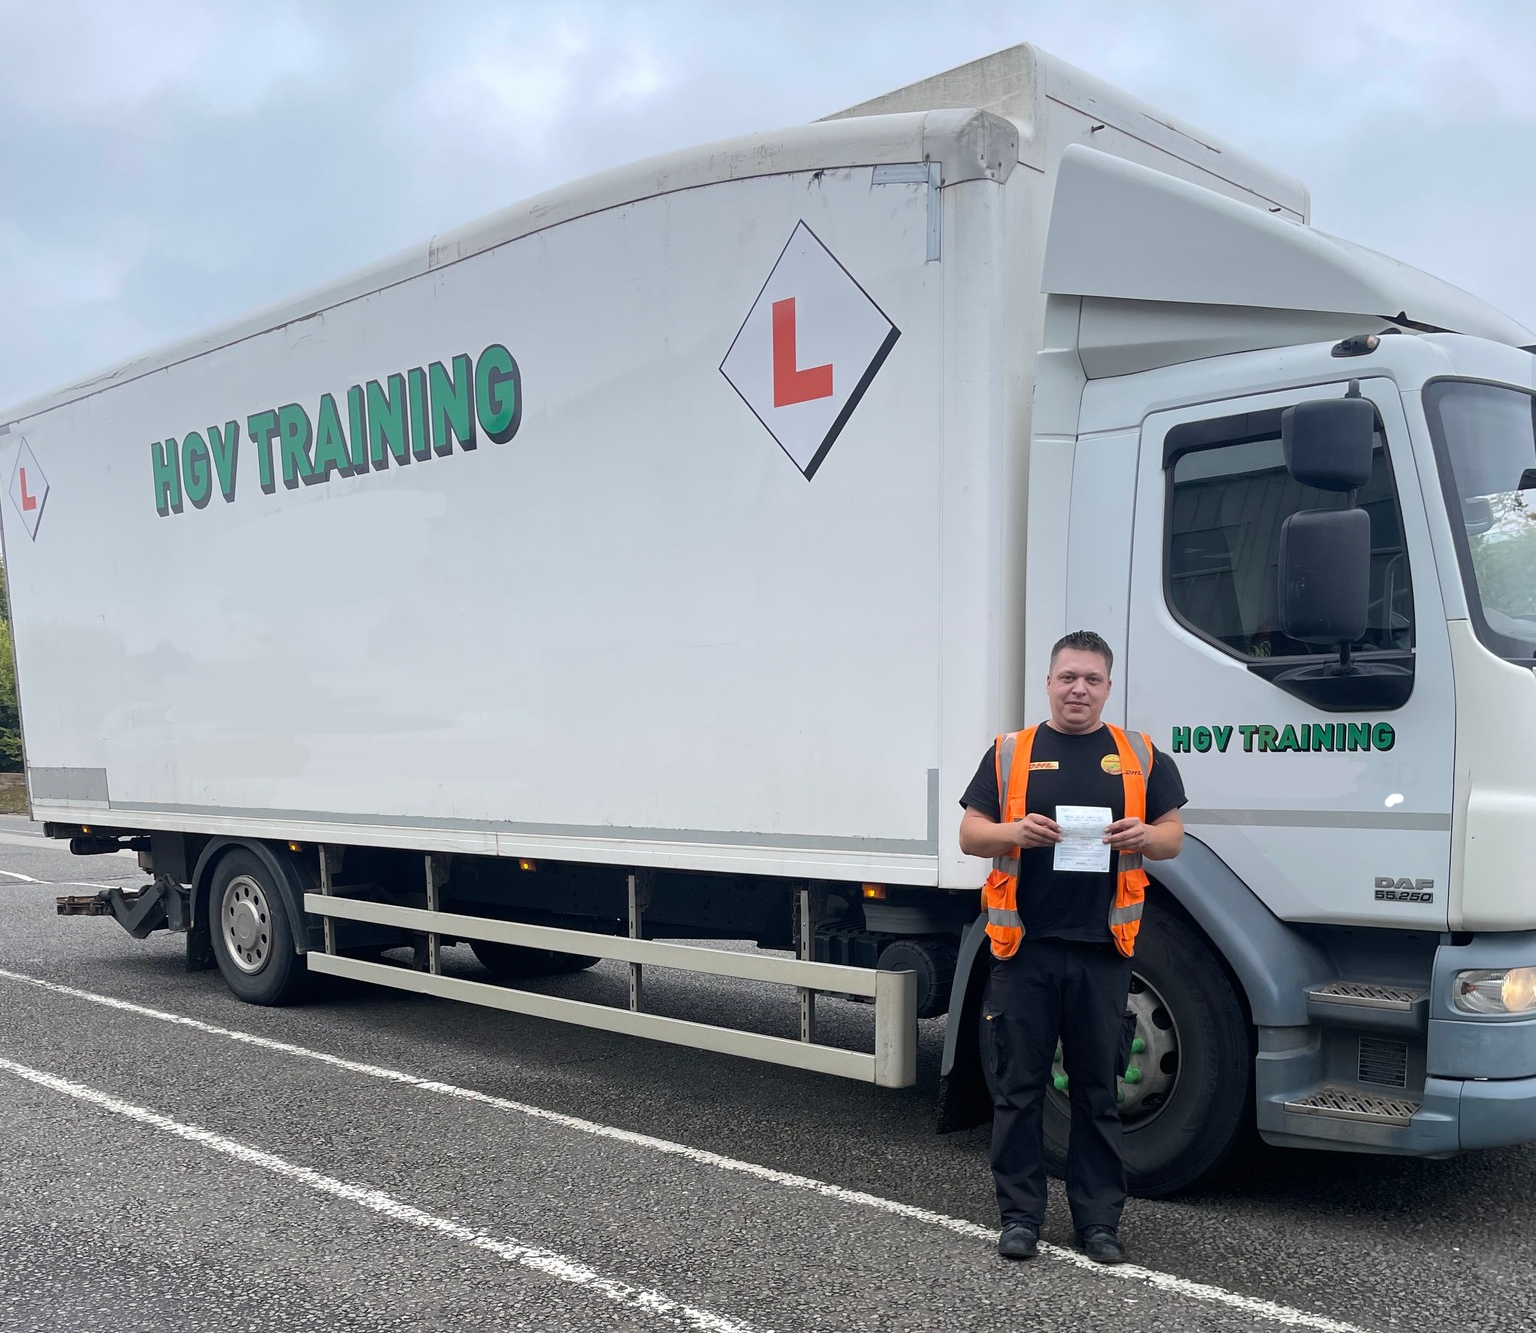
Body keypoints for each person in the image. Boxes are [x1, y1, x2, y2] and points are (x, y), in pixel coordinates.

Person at [958, 629, 1186, 1266]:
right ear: (1049, 683)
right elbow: (971, 834)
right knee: (1019, 1090)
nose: (1078, 689)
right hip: (1024, 949)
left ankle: (1098, 1223)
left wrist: (1144, 835)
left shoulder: (1140, 755)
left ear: (1108, 687)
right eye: (1067, 677)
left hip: (1102, 951)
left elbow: (1172, 837)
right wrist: (1015, 831)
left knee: (1096, 1093)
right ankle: (1020, 1218)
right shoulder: (1010, 753)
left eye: (1091, 679)